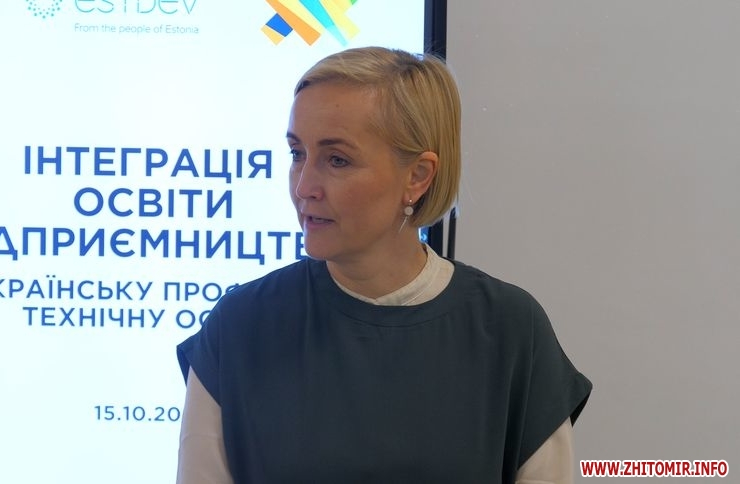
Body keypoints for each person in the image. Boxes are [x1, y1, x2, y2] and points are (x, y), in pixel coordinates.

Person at [176, 46, 591, 483]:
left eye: (337, 160)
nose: (304, 186)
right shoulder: (241, 326)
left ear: (418, 176)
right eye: (297, 153)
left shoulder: (509, 329)